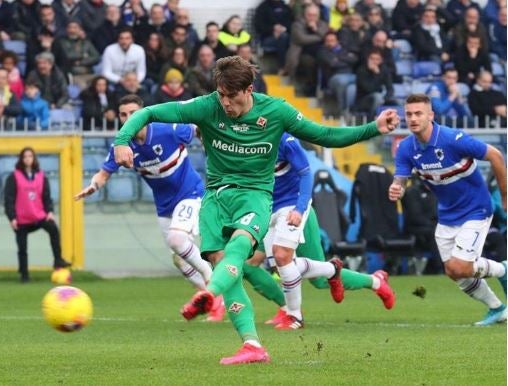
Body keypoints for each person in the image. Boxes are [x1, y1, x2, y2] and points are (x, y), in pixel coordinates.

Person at [112, 56, 399, 364]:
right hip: (215, 197)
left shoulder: (276, 112)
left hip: (256, 196)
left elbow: (326, 136)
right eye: (221, 95)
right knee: (226, 262)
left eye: (231, 97)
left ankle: (213, 293)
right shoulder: (207, 106)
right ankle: (252, 345)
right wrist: (122, 140)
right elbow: (150, 112)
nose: (225, 104)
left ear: (248, 90)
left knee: (241, 246)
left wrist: (373, 128)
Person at [75, 94, 223, 321]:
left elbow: (198, 127)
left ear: (144, 113)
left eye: (133, 113)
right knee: (179, 258)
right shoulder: (123, 145)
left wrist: (212, 146)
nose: (128, 118)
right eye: (123, 114)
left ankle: (212, 282)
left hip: (191, 194)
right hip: (164, 205)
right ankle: (210, 299)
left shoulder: (168, 129)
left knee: (177, 239)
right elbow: (104, 173)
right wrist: (93, 186)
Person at [247, 133, 395, 330]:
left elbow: (305, 173)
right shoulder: (240, 139)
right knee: (261, 265)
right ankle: (287, 308)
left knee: (316, 280)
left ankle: (374, 281)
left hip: (294, 211)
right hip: (266, 212)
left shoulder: (283, 139)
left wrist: (299, 209)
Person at [389, 93, 507, 326]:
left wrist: (505, 195)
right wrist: (396, 188)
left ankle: (503, 269)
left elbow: (495, 155)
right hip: (447, 215)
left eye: (418, 113)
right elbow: (399, 181)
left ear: (430, 115)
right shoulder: (405, 148)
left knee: (459, 266)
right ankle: (497, 308)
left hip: (476, 209)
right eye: (409, 114)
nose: (413, 118)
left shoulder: (453, 139)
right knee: (454, 272)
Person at [4, 147, 71, 282]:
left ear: (34, 158)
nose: (28, 159)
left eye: (30, 156)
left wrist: (49, 211)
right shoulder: (14, 177)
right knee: (22, 247)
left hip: (38, 216)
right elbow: (9, 199)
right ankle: (24, 274)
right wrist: (12, 218)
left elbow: (46, 197)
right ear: (21, 159)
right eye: (25, 156)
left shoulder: (41, 176)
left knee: (53, 229)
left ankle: (58, 260)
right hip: (21, 219)